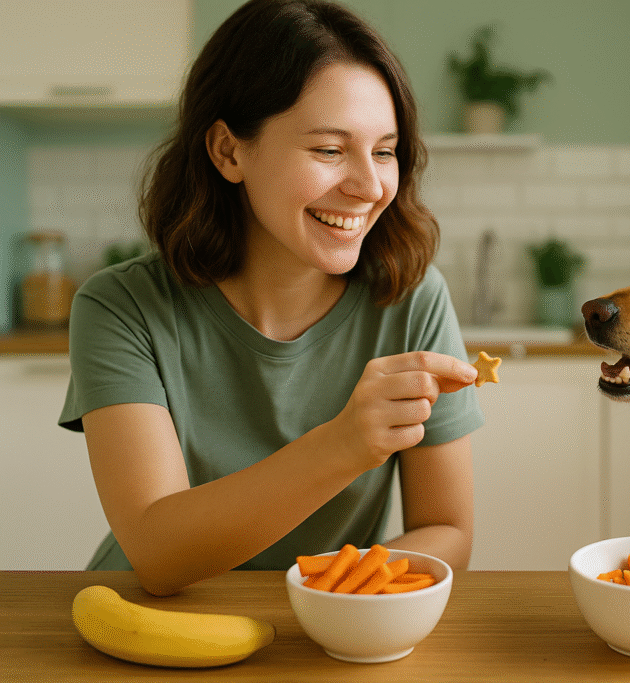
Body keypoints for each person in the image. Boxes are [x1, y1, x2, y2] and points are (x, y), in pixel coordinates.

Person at [59, 0, 484, 596]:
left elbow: (446, 530)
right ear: (229, 152)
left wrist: (330, 595)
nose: (368, 186)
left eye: (384, 151)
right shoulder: (121, 306)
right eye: (330, 150)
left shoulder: (411, 297)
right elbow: (157, 553)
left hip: (324, 623)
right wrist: (343, 443)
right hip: (150, 620)